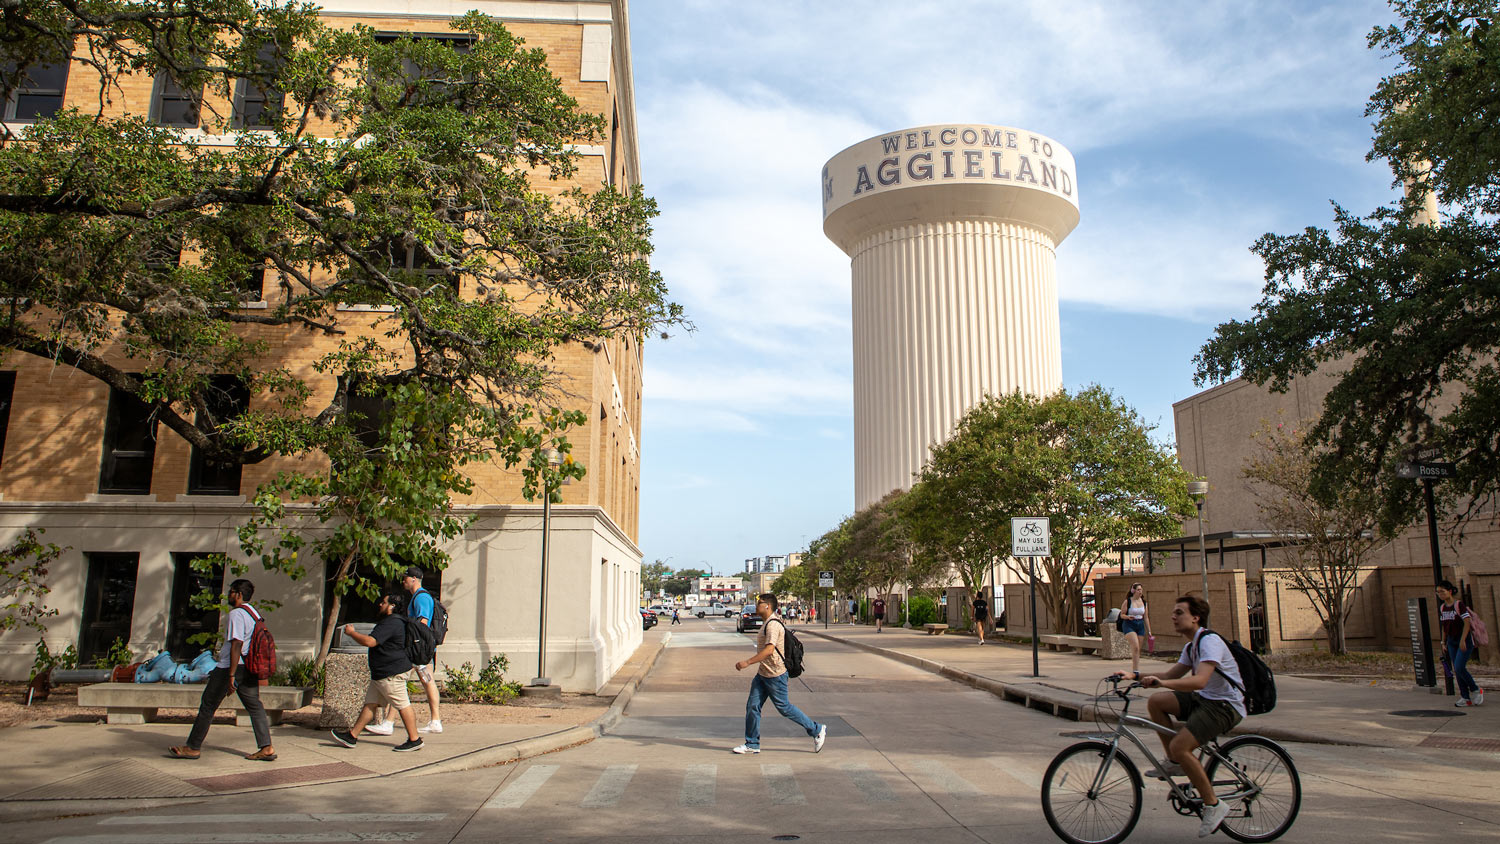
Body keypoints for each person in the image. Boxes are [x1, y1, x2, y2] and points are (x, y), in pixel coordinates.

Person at [1129, 595, 1244, 838]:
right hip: (1205, 700)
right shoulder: (1192, 645)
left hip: (1224, 706)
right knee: (1157, 701)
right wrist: (1134, 676)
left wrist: (1163, 682)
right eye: (1174, 612)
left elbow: (1199, 680)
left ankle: (1213, 804)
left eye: (1179, 612)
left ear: (1196, 617)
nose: (1174, 616)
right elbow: (1171, 673)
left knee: (1181, 745)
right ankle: (1176, 762)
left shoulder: (1209, 641)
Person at [169, 579, 276, 761]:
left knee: (208, 705)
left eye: (232, 592)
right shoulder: (254, 613)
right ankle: (266, 746)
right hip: (249, 666)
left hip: (230, 666)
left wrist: (231, 674)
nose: (229, 595)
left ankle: (193, 747)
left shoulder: (236, 614)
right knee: (255, 706)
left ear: (239, 594)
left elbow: (236, 644)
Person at [732, 593, 827, 755]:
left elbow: (769, 650)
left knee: (784, 707)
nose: (757, 605)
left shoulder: (773, 625)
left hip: (775, 674)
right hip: (763, 674)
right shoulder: (767, 623)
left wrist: (747, 662)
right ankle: (752, 743)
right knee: (752, 706)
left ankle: (816, 729)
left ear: (767, 606)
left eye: (759, 603)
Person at [330, 592, 424, 752]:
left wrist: (352, 633)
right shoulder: (397, 621)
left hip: (391, 673)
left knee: (403, 705)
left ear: (391, 606)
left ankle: (414, 739)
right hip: (383, 674)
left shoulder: (391, 623)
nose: (380, 604)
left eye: (384, 602)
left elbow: (370, 641)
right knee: (370, 704)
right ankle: (352, 736)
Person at [368, 566, 443, 736]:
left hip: (417, 648)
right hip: (420, 648)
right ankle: (432, 721)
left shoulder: (421, 598)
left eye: (405, 578)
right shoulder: (419, 597)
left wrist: (408, 638)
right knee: (416, 681)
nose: (403, 581)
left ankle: (392, 723)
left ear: (414, 579)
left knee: (409, 681)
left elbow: (422, 622)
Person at [1437, 580, 1483, 706]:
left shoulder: (1458, 605)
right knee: (1457, 670)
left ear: (1450, 591)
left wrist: (1463, 639)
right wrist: (1443, 641)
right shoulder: (1442, 608)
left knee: (1459, 667)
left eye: (1442, 591)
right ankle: (1465, 697)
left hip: (1463, 640)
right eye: (1438, 592)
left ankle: (1475, 689)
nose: (1440, 594)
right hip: (1451, 641)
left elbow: (1467, 622)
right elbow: (1444, 626)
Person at [1120, 582, 1152, 674]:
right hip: (1129, 624)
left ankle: (1136, 669)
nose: (1140, 592)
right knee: (1135, 646)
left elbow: (1146, 617)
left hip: (1140, 624)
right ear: (1133, 591)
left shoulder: (1144, 603)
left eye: (1141, 590)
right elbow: (1122, 614)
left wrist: (1149, 631)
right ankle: (1135, 670)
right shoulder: (1128, 601)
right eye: (1138, 590)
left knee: (1138, 649)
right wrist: (1128, 617)